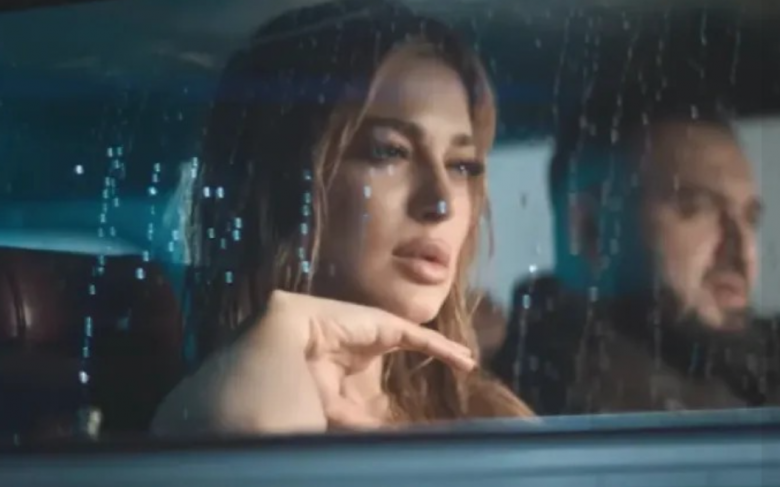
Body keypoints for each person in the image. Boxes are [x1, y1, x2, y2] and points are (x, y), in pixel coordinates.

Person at [152, 0, 532, 435]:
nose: (441, 203)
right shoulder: (202, 414)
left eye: (462, 165)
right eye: (390, 152)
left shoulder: (491, 420)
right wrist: (279, 338)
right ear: (285, 181)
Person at [491, 91, 779, 414]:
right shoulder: (534, 409)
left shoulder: (752, 368)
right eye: (696, 208)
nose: (742, 252)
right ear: (589, 230)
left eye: (750, 218)